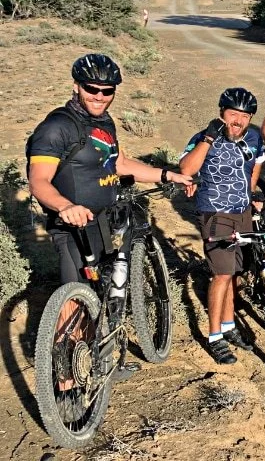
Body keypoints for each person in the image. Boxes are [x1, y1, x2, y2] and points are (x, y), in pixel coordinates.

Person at [27, 54, 192, 389]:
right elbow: (39, 181)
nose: (99, 96)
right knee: (74, 297)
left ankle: (104, 357)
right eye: (92, 89)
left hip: (102, 218)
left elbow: (118, 164)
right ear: (76, 86)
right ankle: (66, 381)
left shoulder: (105, 123)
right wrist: (65, 206)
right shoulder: (56, 127)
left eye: (107, 91)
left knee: (101, 290)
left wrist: (166, 174)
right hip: (73, 224)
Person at [179, 88, 265, 364]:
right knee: (221, 274)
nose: (238, 121)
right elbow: (186, 169)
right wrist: (208, 138)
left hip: (242, 211)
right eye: (232, 114)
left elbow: (256, 163)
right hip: (215, 214)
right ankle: (214, 336)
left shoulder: (253, 137)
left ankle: (229, 327)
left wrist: (251, 194)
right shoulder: (205, 137)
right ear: (221, 113)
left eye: (244, 116)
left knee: (234, 273)